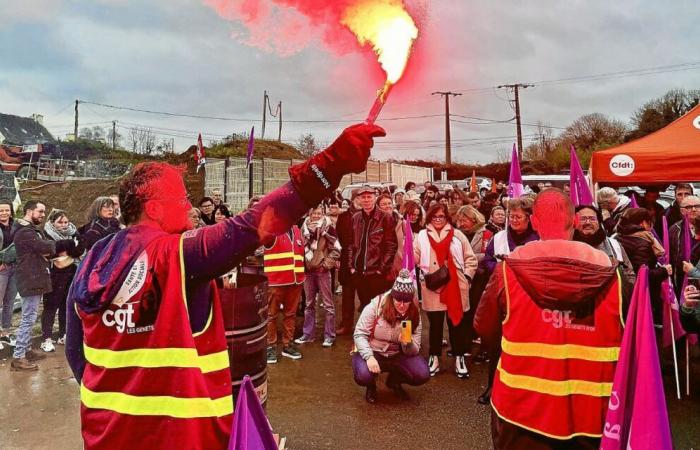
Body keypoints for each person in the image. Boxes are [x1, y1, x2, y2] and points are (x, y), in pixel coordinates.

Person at [64, 123, 385, 449]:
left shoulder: (91, 261)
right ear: (155, 209)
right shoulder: (179, 255)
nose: (190, 207)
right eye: (181, 199)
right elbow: (254, 224)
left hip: (104, 433)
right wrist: (330, 164)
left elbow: (75, 353)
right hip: (176, 437)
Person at [475, 189, 625, 450]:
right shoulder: (614, 276)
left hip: (520, 408)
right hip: (594, 413)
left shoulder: (507, 272)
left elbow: (485, 329)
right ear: (575, 222)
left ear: (534, 223)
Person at [414, 204, 478, 378]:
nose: (438, 220)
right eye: (435, 217)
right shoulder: (421, 236)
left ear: (447, 218)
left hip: (456, 286)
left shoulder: (458, 235)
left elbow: (470, 258)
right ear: (429, 218)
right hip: (432, 286)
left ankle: (459, 357)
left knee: (456, 325)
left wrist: (467, 277)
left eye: (441, 216)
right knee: (435, 326)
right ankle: (434, 357)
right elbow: (414, 257)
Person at [352, 269, 429, 403]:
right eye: (398, 299)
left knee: (422, 374)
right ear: (392, 296)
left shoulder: (414, 313)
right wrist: (369, 357)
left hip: (397, 354)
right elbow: (359, 334)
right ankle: (371, 385)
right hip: (373, 350)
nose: (401, 304)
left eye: (406, 301)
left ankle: (394, 381)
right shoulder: (376, 305)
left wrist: (407, 343)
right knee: (363, 375)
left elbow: (415, 349)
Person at [11, 201, 61, 371]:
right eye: (40, 211)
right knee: (28, 318)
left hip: (33, 278)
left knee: (30, 316)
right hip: (30, 279)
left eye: (44, 212)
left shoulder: (29, 230)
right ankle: (19, 357)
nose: (42, 215)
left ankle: (25, 350)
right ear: (29, 211)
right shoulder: (26, 232)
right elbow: (45, 246)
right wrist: (57, 245)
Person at [615, 208, 672, 322]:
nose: (651, 228)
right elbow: (643, 274)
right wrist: (664, 271)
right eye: (649, 223)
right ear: (643, 223)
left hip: (620, 291)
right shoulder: (642, 243)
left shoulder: (616, 237)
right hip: (641, 295)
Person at [295, 205, 340, 348]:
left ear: (323, 213)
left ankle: (329, 336)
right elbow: (299, 248)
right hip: (308, 271)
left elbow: (337, 249)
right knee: (309, 304)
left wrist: (326, 264)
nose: (316, 216)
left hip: (322, 271)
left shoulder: (328, 228)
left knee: (328, 305)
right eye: (313, 213)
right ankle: (308, 334)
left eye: (319, 213)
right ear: (309, 213)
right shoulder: (303, 229)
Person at [347, 185, 398, 310]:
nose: (366, 200)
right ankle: (367, 330)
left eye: (369, 197)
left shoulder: (385, 217)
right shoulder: (356, 218)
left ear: (375, 198)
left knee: (379, 309)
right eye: (363, 197)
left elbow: (391, 246)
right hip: (359, 273)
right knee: (365, 309)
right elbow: (351, 244)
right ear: (358, 199)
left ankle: (377, 330)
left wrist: (381, 269)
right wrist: (351, 266)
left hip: (376, 273)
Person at [40, 209, 84, 353]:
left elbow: (79, 249)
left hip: (71, 271)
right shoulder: (46, 233)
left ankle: (63, 334)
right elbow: (51, 250)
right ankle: (46, 338)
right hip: (53, 274)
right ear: (52, 222)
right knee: (51, 306)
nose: (64, 225)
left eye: (66, 222)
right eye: (60, 222)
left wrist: (67, 247)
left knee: (66, 305)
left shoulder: (73, 231)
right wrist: (69, 244)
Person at [264, 222, 306, 363]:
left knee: (291, 315)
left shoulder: (297, 230)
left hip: (296, 281)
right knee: (271, 315)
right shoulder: (271, 229)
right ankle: (270, 347)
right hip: (276, 281)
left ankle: (288, 344)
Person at [573, 205, 636, 292]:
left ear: (599, 223)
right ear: (574, 223)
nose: (588, 222)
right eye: (583, 219)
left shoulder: (614, 245)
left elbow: (629, 274)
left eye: (592, 219)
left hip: (610, 300)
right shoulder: (568, 246)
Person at [483, 197, 539, 275]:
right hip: (503, 282)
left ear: (528, 218)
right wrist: (502, 268)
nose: (514, 220)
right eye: (511, 216)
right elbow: (488, 261)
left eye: (518, 217)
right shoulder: (498, 237)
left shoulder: (539, 239)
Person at [336, 189, 360, 335]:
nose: (361, 200)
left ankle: (367, 327)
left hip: (364, 261)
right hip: (347, 260)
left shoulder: (368, 215)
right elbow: (339, 237)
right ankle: (346, 325)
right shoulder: (344, 216)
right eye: (358, 197)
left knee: (366, 296)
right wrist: (340, 258)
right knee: (347, 296)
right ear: (353, 199)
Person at [669, 195, 700, 294]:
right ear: (682, 211)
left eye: (697, 206)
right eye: (689, 207)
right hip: (681, 279)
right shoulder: (675, 229)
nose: (694, 209)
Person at [0, 200, 17, 348]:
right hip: (1, 269)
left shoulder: (15, 226)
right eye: (1, 211)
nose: (4, 213)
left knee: (9, 302)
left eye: (7, 210)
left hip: (15, 268)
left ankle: (5, 332)